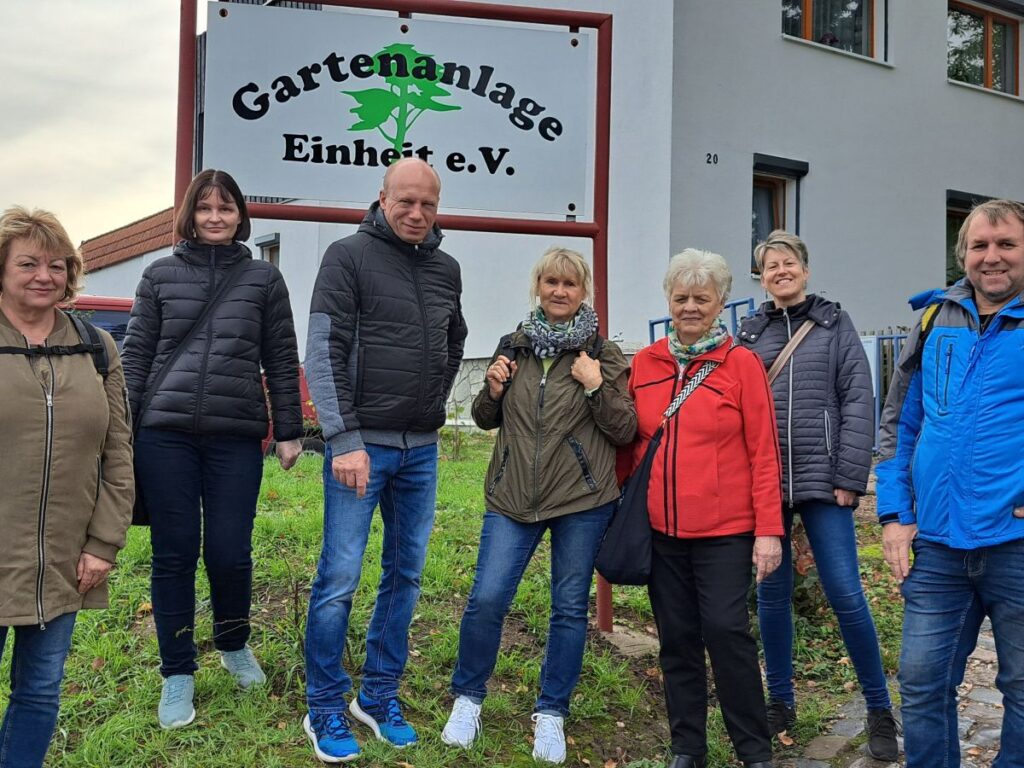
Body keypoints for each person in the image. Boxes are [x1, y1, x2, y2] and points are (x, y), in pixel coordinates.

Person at [121, 169, 303, 729]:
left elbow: (280, 353)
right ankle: (177, 673)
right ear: (190, 215)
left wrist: (290, 428)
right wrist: (122, 427)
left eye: (226, 208)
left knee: (229, 551)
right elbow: (135, 354)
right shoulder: (158, 274)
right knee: (173, 553)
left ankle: (232, 643)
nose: (216, 217)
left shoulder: (263, 281)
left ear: (241, 215)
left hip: (235, 434)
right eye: (205, 208)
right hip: (164, 434)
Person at [440, 247, 636, 764]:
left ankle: (551, 713)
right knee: (486, 599)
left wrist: (596, 387)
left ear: (583, 291)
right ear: (539, 286)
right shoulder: (515, 345)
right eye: (551, 281)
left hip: (581, 500)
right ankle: (467, 699)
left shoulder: (603, 354)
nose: (559, 291)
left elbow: (624, 429)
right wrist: (492, 388)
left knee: (569, 609)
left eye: (570, 284)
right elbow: (486, 419)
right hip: (511, 497)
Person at [302, 157, 468, 763]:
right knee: (339, 578)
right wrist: (343, 439)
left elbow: (455, 341)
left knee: (407, 575)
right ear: (381, 198)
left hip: (419, 449)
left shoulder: (447, 268)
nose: (417, 213)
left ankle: (377, 696)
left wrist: (430, 402)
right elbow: (321, 350)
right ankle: (323, 705)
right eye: (406, 202)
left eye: (428, 203)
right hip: (360, 449)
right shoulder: (347, 257)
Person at [737, 231, 898, 759]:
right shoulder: (751, 332)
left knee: (846, 593)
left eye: (788, 262)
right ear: (761, 277)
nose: (780, 270)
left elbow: (858, 398)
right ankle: (780, 702)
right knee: (772, 596)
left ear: (804, 270)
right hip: (766, 486)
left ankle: (878, 708)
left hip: (823, 481)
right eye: (770, 265)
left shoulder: (833, 324)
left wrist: (849, 476)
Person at [877, 198, 1024, 768]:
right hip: (936, 543)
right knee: (919, 682)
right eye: (980, 246)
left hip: (1015, 544)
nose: (992, 257)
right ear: (962, 254)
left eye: (1006, 244)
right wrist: (894, 514)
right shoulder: (935, 319)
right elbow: (900, 422)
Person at [629, 249, 783, 768]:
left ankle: (753, 750)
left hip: (725, 530)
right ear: (668, 300)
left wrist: (769, 530)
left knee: (726, 632)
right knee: (676, 640)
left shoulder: (740, 364)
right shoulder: (645, 364)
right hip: (661, 531)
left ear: (720, 302)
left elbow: (764, 451)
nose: (690, 307)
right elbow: (631, 447)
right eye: (681, 297)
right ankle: (687, 747)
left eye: (702, 298)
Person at [0, 206, 133, 767]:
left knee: (39, 690)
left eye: (57, 264)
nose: (43, 275)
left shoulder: (97, 346)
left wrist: (103, 544)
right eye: (28, 262)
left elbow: (119, 452)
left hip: (65, 557)